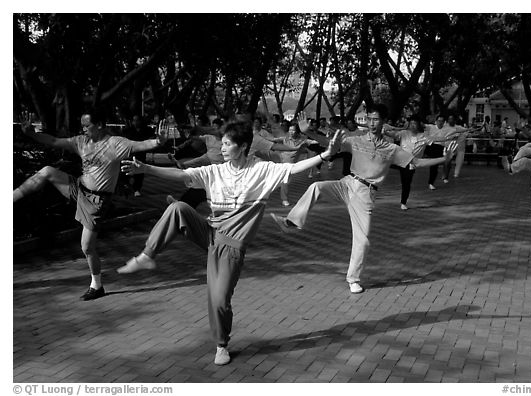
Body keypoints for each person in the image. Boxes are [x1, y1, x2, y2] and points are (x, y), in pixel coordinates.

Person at [116, 120, 342, 365]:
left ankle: (221, 344)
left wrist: (325, 155)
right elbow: (182, 174)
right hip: (209, 232)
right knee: (178, 208)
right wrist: (148, 169)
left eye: (227, 144)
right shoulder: (216, 171)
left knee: (219, 300)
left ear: (243, 146)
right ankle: (147, 256)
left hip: (231, 247)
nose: (222, 148)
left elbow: (295, 168)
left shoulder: (261, 171)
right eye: (221, 143)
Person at [270, 104, 457, 294]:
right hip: (347, 183)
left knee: (363, 240)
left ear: (383, 122)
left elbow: (415, 163)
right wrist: (309, 132)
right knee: (316, 186)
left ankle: (353, 279)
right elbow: (331, 144)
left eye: (375, 119)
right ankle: (292, 222)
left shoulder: (392, 149)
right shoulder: (356, 140)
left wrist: (444, 160)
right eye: (369, 119)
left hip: (365, 194)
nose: (371, 123)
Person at [13, 111, 167, 300]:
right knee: (47, 172)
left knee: (86, 247)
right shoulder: (81, 141)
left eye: (87, 126)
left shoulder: (116, 144)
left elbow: (141, 145)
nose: (84, 129)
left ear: (100, 124)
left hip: (97, 201)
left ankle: (97, 285)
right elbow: (54, 141)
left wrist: (159, 141)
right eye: (83, 126)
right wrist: (31, 133)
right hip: (78, 188)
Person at [383, 116, 430, 210]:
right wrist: (384, 131)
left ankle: (403, 202)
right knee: (384, 162)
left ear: (418, 125)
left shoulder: (423, 136)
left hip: (412, 163)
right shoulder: (404, 133)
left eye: (414, 123)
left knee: (406, 182)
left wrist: (449, 138)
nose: (412, 126)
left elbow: (436, 139)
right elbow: (393, 135)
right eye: (411, 123)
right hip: (400, 160)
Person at [278, 122, 315, 206]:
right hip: (281, 162)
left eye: (293, 130)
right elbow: (273, 140)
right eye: (290, 130)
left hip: (291, 165)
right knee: (285, 181)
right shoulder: (285, 139)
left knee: (285, 181)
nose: (291, 132)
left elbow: (312, 141)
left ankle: (283, 196)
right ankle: (284, 199)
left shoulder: (302, 140)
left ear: (297, 131)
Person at [121, 115, 156, 196]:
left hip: (141, 154)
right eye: (134, 120)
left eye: (137, 120)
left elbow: (152, 138)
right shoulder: (128, 130)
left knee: (140, 172)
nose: (136, 122)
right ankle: (126, 186)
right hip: (129, 153)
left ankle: (137, 189)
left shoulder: (147, 130)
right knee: (125, 170)